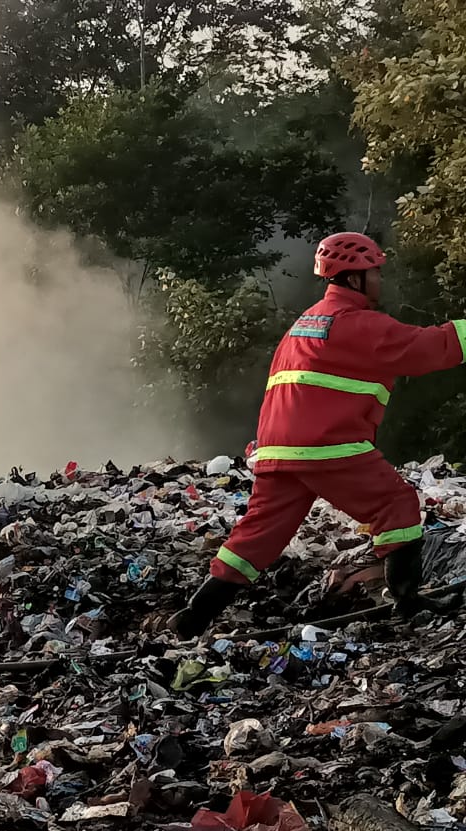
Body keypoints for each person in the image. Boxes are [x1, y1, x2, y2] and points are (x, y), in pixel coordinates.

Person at [170, 232, 466, 640]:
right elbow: (429, 347)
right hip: (326, 443)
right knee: (395, 504)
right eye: (374, 272)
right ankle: (408, 602)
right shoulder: (358, 324)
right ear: (355, 278)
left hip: (279, 447)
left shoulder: (304, 323)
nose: (380, 279)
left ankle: (193, 617)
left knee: (257, 536)